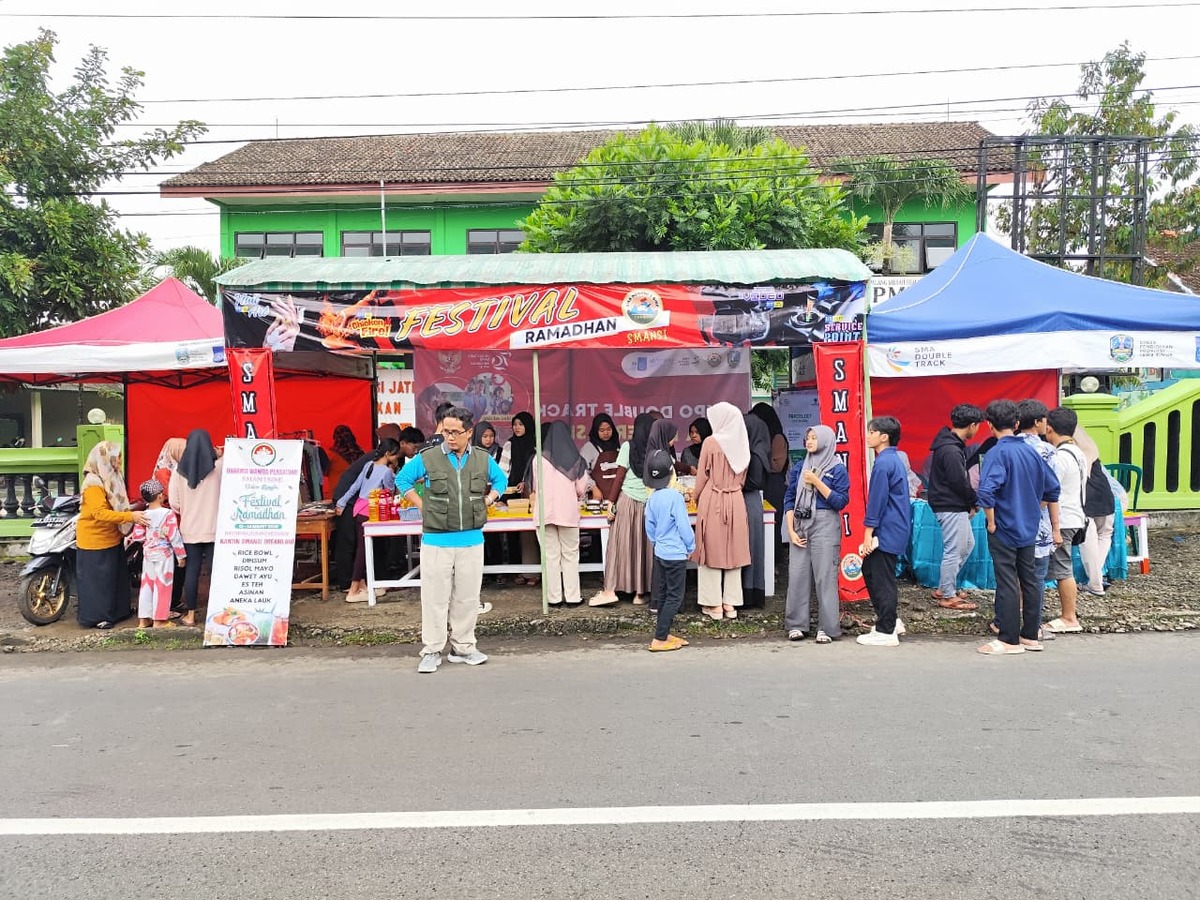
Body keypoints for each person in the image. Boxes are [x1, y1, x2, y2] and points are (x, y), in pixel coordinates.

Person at [395, 407, 507, 674]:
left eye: (456, 432)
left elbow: (501, 480)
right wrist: (422, 505)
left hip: (472, 539)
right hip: (436, 540)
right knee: (434, 598)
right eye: (446, 431)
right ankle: (432, 649)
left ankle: (463, 647)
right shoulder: (429, 457)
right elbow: (403, 479)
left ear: (469, 432)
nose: (450, 437)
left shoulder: (482, 458)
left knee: (467, 598)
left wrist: (489, 499)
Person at [975, 400, 1061, 655]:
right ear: (1015, 424)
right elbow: (1053, 488)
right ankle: (1030, 635)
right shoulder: (1031, 452)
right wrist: (1034, 508)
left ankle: (1009, 639)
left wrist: (991, 521)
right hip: (1029, 525)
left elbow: (986, 491)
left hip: (1004, 525)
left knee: (1007, 581)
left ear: (989, 424)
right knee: (1030, 579)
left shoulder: (997, 453)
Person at [783, 425, 850, 643]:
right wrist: (791, 530)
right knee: (797, 575)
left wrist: (817, 482)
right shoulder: (800, 467)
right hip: (800, 523)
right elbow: (789, 498)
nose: (809, 442)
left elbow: (840, 501)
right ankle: (796, 624)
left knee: (825, 577)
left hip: (825, 524)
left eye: (814, 438)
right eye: (808, 438)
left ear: (826, 441)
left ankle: (827, 628)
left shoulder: (837, 468)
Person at [76, 441, 148, 629]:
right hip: (95, 540)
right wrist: (130, 517)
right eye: (117, 456)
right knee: (99, 583)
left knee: (115, 578)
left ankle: (119, 612)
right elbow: (99, 513)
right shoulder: (93, 483)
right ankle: (98, 617)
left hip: (112, 537)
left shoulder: (111, 476)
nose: (120, 460)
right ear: (104, 458)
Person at [588, 413, 656, 607]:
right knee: (643, 548)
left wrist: (611, 502)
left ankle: (610, 591)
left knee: (619, 547)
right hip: (648, 504)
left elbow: (619, 476)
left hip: (626, 502)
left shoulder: (627, 446)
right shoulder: (656, 449)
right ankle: (640, 594)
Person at [692, 402, 751, 620]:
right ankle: (730, 603)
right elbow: (743, 478)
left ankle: (713, 604)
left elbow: (702, 476)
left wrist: (695, 497)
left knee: (710, 549)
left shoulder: (711, 442)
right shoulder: (741, 442)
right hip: (735, 498)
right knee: (734, 550)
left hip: (714, 498)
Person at [856, 416, 912, 647]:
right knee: (872, 570)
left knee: (881, 577)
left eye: (872, 432)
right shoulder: (893, 459)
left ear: (884, 437)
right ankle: (891, 620)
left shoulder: (883, 463)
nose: (868, 435)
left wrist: (868, 532)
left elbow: (877, 500)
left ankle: (886, 630)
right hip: (895, 525)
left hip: (887, 527)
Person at [925, 404, 985, 610]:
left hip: (951, 504)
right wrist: (974, 501)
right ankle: (948, 595)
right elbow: (958, 481)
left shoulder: (949, 445)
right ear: (972, 425)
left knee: (967, 545)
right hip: (950, 505)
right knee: (954, 550)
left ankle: (945, 586)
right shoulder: (951, 449)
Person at [529, 421, 590, 606]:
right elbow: (581, 489)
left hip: (544, 513)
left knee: (550, 557)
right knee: (570, 555)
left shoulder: (538, 459)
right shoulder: (577, 460)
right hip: (567, 514)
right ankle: (573, 597)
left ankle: (553, 599)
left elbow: (535, 486)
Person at [336, 438, 403, 603]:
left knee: (362, 549)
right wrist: (394, 472)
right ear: (388, 454)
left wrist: (341, 503)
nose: (396, 458)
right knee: (363, 552)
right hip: (371, 511)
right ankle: (353, 590)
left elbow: (355, 487)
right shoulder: (386, 472)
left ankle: (364, 586)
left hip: (359, 509)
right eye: (395, 455)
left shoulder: (368, 465)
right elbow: (389, 491)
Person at [169, 429, 223, 627]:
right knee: (216, 571)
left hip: (189, 530)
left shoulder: (178, 471)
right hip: (215, 529)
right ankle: (218, 614)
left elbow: (174, 504)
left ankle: (191, 616)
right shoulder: (219, 467)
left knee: (192, 571)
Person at [643, 449, 695, 652]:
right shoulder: (675, 497)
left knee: (664, 595)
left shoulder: (652, 498)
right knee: (675, 597)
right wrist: (691, 546)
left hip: (660, 553)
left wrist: (656, 542)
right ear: (672, 473)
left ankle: (663, 633)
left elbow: (649, 526)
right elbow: (684, 526)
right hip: (675, 554)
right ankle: (659, 639)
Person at [1044, 406, 1089, 635]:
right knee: (1062, 566)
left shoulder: (1060, 457)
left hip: (1062, 519)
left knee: (1063, 568)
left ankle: (1069, 617)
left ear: (1049, 429)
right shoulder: (1078, 452)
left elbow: (1050, 491)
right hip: (1075, 516)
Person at [127, 479, 186, 629]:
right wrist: (181, 555)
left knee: (147, 585)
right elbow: (174, 536)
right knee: (163, 585)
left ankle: (144, 619)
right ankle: (159, 620)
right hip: (164, 554)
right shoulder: (168, 514)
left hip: (148, 554)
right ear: (160, 496)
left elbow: (138, 536)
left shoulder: (143, 514)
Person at [500, 411, 540, 584]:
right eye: (515, 424)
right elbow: (503, 470)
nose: (517, 428)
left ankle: (534, 571)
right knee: (514, 534)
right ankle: (517, 570)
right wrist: (502, 493)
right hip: (512, 493)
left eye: (521, 424)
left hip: (533, 493)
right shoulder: (509, 444)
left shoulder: (537, 444)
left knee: (532, 533)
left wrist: (528, 481)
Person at [1076, 424, 1116, 597]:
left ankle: (1095, 583)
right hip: (1104, 491)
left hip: (1086, 495)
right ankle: (1096, 581)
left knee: (1088, 539)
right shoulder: (1090, 444)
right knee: (1105, 534)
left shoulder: (1068, 450)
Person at [150, 436, 187, 610]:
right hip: (170, 524)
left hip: (173, 521)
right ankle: (170, 603)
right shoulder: (165, 472)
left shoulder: (169, 468)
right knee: (174, 564)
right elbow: (173, 499)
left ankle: (171, 601)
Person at [741, 412, 771, 609]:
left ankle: (749, 593)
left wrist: (735, 483)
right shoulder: (758, 448)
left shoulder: (755, 453)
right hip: (751, 501)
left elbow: (754, 481)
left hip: (749, 502)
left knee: (750, 546)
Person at [749, 402, 790, 543]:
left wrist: (760, 455)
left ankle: (775, 554)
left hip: (773, 484)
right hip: (760, 483)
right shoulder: (757, 437)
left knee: (773, 524)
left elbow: (777, 466)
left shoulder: (777, 438)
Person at [580, 413, 621, 501]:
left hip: (617, 498)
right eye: (602, 430)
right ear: (596, 431)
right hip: (596, 497)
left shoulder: (618, 447)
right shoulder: (589, 448)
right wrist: (593, 487)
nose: (606, 433)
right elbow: (582, 472)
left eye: (609, 429)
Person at [326, 424, 365, 491]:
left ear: (335, 437)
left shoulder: (330, 455)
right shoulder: (360, 453)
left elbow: (325, 472)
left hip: (338, 491)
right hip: (357, 491)